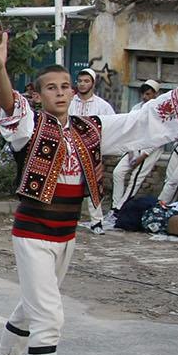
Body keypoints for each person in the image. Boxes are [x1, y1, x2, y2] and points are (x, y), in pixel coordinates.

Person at [0, 35, 178, 355]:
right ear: (37, 94)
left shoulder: (91, 129)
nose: (60, 93)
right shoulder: (29, 127)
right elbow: (7, 105)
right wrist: (0, 68)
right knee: (50, 318)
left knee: (32, 307)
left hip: (66, 236)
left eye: (65, 86)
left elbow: (143, 121)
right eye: (50, 87)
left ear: (74, 91)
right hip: (33, 234)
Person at [110, 79, 165, 214]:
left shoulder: (160, 111)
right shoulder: (137, 108)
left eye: (148, 94)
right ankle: (115, 205)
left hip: (151, 149)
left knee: (136, 177)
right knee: (118, 172)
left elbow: (158, 137)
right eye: (143, 94)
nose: (145, 97)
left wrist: (142, 156)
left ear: (155, 94)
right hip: (134, 146)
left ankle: (120, 208)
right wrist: (130, 152)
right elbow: (130, 130)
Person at [71, 67, 115, 232]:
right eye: (80, 81)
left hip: (92, 152)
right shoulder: (70, 102)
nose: (82, 84)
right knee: (69, 184)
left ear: (93, 83)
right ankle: (68, 218)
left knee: (93, 186)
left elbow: (111, 125)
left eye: (86, 81)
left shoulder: (102, 106)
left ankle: (96, 222)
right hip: (71, 149)